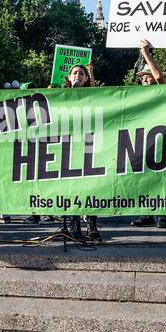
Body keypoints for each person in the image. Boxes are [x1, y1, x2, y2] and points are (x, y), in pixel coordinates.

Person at [132, 41, 166, 229]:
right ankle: (147, 213)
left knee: (161, 176)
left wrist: (145, 53)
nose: (145, 79)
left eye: (147, 76)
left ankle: (162, 214)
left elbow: (158, 76)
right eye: (143, 77)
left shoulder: (162, 90)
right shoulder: (139, 95)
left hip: (161, 137)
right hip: (142, 138)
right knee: (144, 176)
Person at [60, 62, 99, 241]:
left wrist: (92, 74)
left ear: (86, 78)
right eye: (74, 73)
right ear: (69, 78)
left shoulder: (93, 96)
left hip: (89, 146)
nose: (78, 75)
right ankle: (73, 226)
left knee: (90, 188)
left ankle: (92, 226)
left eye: (81, 73)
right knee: (71, 188)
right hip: (68, 148)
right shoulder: (60, 97)